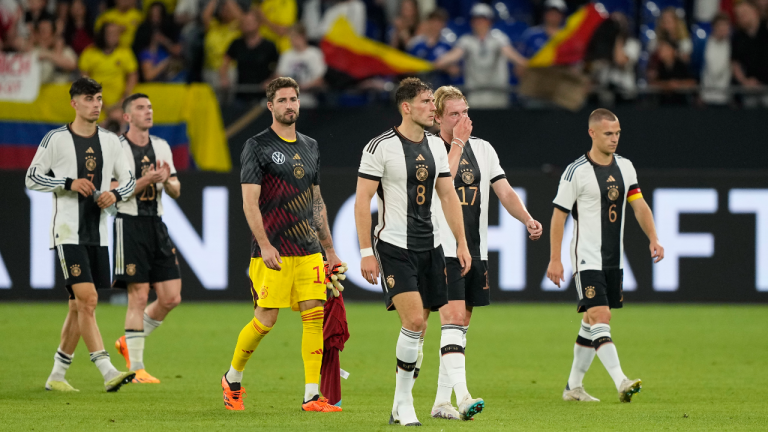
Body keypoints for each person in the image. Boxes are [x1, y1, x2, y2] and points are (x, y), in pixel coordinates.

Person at [354, 77, 475, 426]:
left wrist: (461, 242)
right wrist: (365, 251)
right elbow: (362, 201)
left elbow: (448, 196)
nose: (432, 108)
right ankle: (405, 404)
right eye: (425, 102)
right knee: (415, 321)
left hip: (432, 246)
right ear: (406, 107)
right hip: (394, 246)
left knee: (419, 330)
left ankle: (397, 404)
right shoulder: (380, 147)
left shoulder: (437, 146)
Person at [221, 77, 342, 413]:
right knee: (266, 320)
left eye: (295, 99)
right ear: (271, 105)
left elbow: (316, 201)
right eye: (283, 100)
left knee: (314, 317)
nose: (290, 105)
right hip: (273, 250)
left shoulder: (311, 145)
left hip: (308, 251)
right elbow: (249, 202)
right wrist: (265, 244)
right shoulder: (256, 146)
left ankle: (311, 395)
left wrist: (329, 249)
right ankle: (232, 378)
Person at [430, 85, 543, 420]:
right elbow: (441, 182)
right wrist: (459, 143)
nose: (464, 119)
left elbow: (503, 190)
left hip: (474, 249)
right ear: (437, 117)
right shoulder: (430, 148)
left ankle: (440, 402)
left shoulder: (484, 149)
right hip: (441, 247)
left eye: (465, 111)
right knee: (450, 319)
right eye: (454, 114)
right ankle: (463, 397)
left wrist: (526, 217)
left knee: (460, 325)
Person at [25, 77, 136, 393]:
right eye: (89, 99)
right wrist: (67, 182)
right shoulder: (56, 139)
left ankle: (57, 375)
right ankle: (106, 369)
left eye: (99, 98)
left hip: (98, 234)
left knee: (77, 305)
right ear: (74, 103)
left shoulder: (111, 142)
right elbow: (32, 177)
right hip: (67, 231)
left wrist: (114, 195)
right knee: (88, 299)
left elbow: (128, 181)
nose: (96, 104)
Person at [546, 108, 665, 403]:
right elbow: (558, 217)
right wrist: (555, 259)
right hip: (586, 257)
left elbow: (639, 205)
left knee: (590, 321)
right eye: (608, 134)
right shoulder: (576, 172)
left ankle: (573, 387)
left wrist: (654, 237)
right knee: (602, 315)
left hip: (613, 258)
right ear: (592, 133)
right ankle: (621, 381)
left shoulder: (625, 167)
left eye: (618, 133)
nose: (614, 139)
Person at [111, 93, 182, 384]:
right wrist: (144, 181)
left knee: (171, 297)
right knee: (138, 295)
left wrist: (166, 180)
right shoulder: (115, 147)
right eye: (140, 108)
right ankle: (137, 368)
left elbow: (177, 188)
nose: (148, 111)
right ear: (127, 117)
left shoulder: (162, 146)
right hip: (129, 224)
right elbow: (110, 189)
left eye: (150, 107)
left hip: (157, 223)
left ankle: (128, 341)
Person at [434, 3, 527, 108]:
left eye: (483, 19)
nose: (479, 23)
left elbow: (510, 54)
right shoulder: (467, 40)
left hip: (498, 94)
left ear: (489, 21)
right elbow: (455, 54)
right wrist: (438, 62)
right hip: (475, 95)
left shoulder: (499, 38)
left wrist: (525, 63)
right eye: (476, 19)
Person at [220, 10, 279, 104]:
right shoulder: (236, 44)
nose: (246, 25)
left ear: (258, 24)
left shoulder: (269, 46)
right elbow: (224, 62)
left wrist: (271, 81)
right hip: (241, 93)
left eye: (249, 23)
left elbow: (279, 68)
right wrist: (224, 77)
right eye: (244, 23)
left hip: (263, 95)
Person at [78, 22, 139, 109]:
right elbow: (84, 78)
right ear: (102, 34)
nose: (114, 36)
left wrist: (125, 96)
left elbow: (132, 75)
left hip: (120, 102)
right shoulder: (89, 53)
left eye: (116, 33)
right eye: (110, 33)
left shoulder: (125, 52)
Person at [276, 23, 326, 108]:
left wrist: (303, 87)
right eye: (290, 37)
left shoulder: (314, 54)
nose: (292, 40)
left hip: (309, 98)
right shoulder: (286, 55)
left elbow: (320, 79)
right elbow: (279, 76)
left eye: (295, 37)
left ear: (303, 36)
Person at [731, 0, 768, 107]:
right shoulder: (737, 37)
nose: (740, 18)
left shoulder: (765, 29)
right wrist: (744, 81)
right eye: (738, 16)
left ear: (754, 12)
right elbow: (735, 63)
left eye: (744, 14)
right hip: (749, 90)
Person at [647, 38, 697, 105]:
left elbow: (692, 82)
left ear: (673, 50)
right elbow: (652, 83)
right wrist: (666, 85)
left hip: (681, 105)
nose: (661, 52)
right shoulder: (658, 66)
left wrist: (678, 84)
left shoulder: (682, 65)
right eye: (661, 50)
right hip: (662, 105)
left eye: (665, 49)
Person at [701, 13, 732, 105]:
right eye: (720, 25)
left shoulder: (732, 45)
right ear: (714, 27)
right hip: (706, 96)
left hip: (725, 97)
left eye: (726, 25)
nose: (723, 29)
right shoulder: (704, 44)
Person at [33, 19, 78, 84]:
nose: (43, 35)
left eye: (46, 31)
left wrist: (48, 54)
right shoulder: (34, 50)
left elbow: (72, 65)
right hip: (38, 91)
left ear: (53, 34)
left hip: (60, 91)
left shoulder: (64, 50)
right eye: (40, 31)